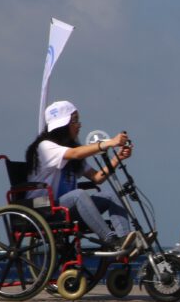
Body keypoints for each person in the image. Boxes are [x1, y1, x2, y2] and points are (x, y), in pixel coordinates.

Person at [27, 100, 140, 253]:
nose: (79, 125)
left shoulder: (70, 151)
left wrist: (118, 158)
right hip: (44, 207)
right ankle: (111, 240)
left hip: (64, 207)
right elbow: (75, 153)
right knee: (78, 195)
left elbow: (98, 177)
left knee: (111, 195)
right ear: (62, 125)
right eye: (74, 121)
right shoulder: (45, 146)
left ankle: (125, 242)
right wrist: (109, 143)